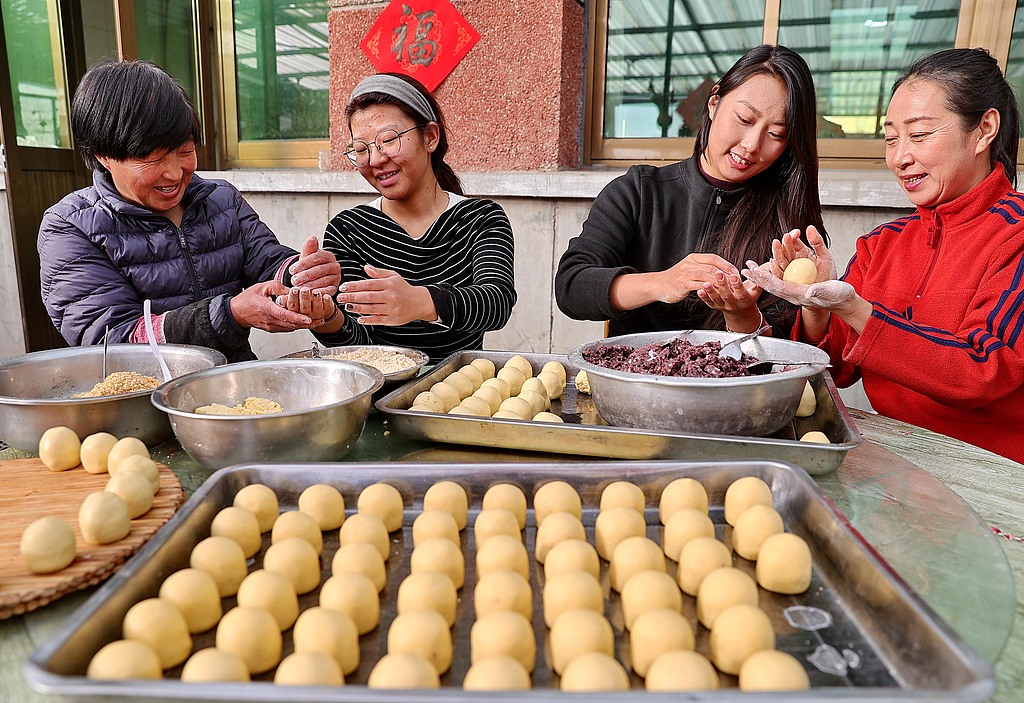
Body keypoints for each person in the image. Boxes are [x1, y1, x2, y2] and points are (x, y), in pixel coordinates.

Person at [744, 48, 1024, 464]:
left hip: (994, 472)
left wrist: (856, 309)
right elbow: (835, 370)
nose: (899, 157)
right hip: (898, 458)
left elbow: (982, 369)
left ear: (984, 130)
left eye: (920, 134)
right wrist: (817, 306)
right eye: (891, 138)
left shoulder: (1016, 235)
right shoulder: (882, 243)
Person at [38, 60, 340, 363]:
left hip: (233, 379)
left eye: (185, 151)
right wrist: (230, 314)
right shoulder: (70, 227)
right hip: (151, 390)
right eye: (152, 158)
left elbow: (268, 262)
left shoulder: (221, 199)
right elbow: (114, 341)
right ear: (103, 155)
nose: (174, 173)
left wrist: (303, 276)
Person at [555, 44, 826, 338]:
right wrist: (664, 283)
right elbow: (572, 286)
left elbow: (794, 347)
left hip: (740, 370)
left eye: (776, 134)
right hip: (636, 367)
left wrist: (743, 317)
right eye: (744, 119)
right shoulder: (640, 192)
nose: (751, 145)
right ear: (714, 102)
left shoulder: (788, 221)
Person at [307, 73, 516, 363]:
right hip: (378, 385)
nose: (376, 160)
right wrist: (327, 317)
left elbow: (496, 302)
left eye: (388, 140)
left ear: (430, 137)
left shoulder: (480, 218)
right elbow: (359, 343)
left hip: (459, 383)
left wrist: (419, 302)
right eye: (362, 149)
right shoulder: (349, 229)